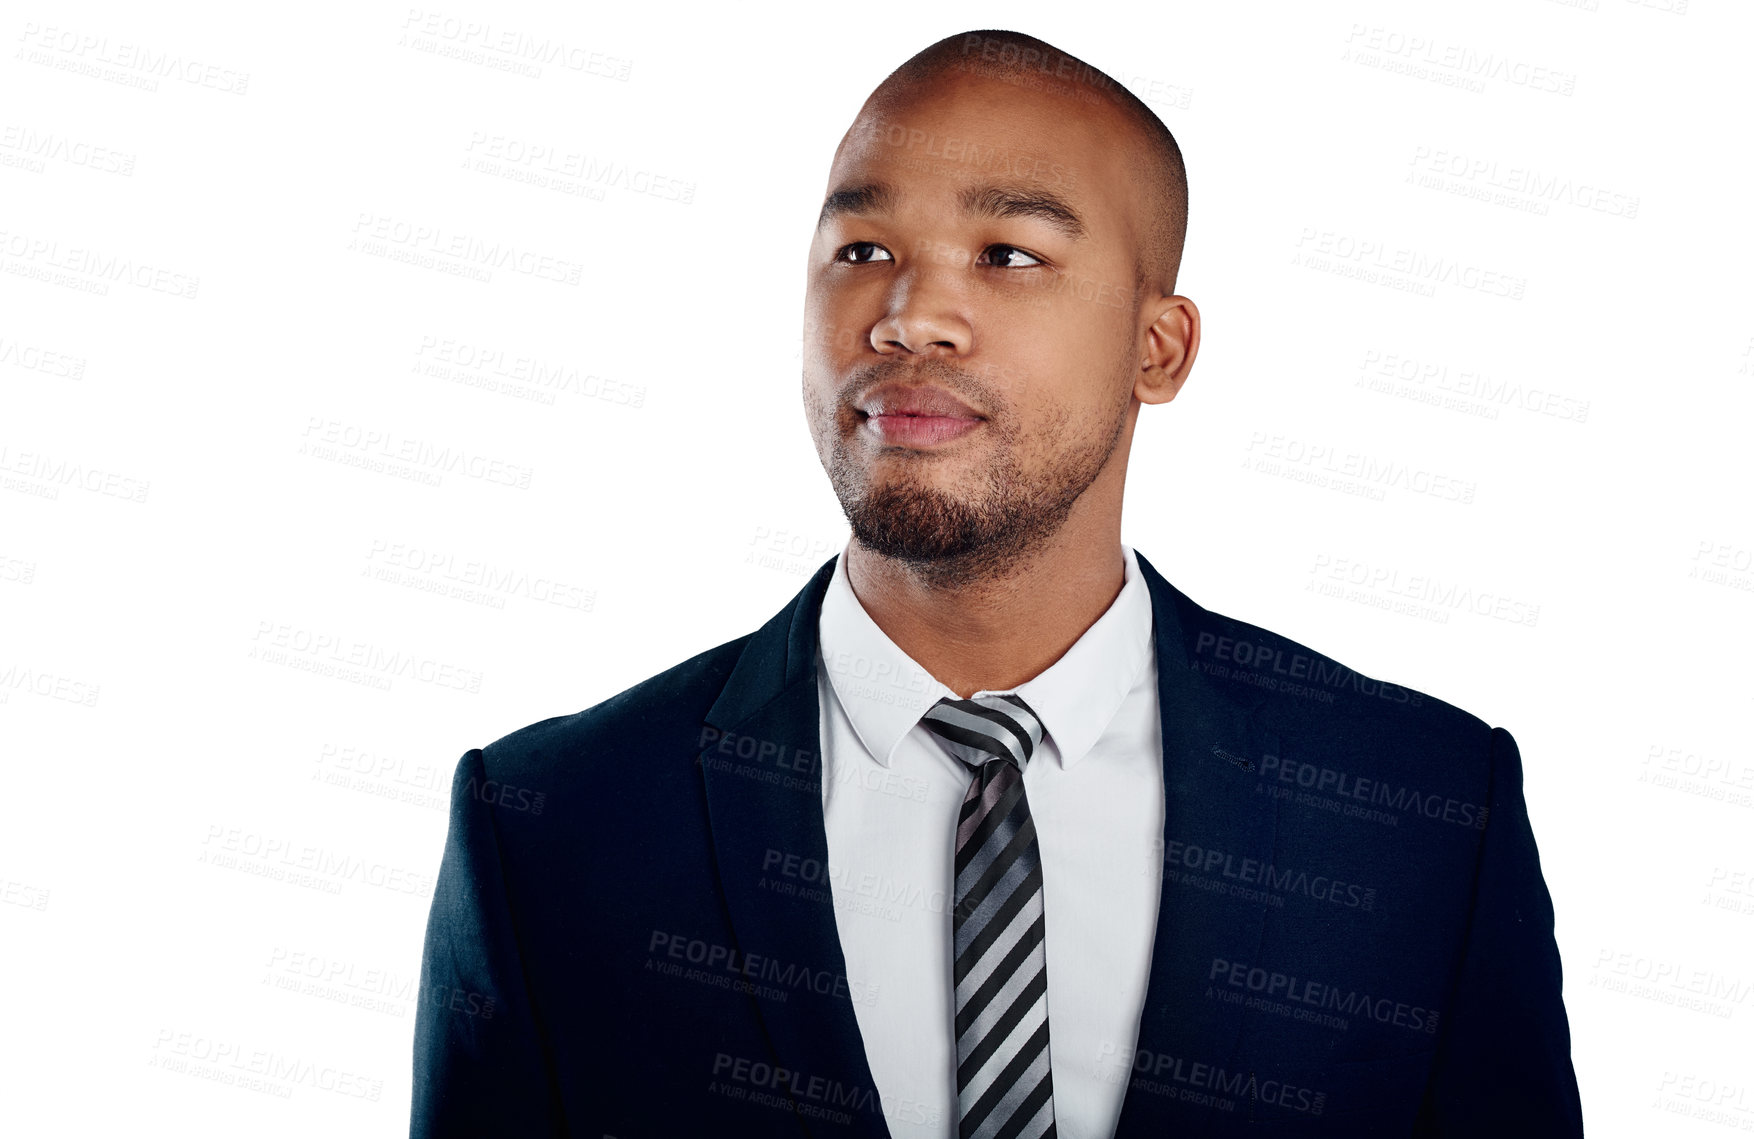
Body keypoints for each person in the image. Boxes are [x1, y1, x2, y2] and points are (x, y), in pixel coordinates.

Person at [410, 28, 1583, 1139]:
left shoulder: (1418, 813)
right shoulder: (551, 825)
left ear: (1155, 348)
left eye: (1008, 255)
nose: (910, 317)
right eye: (861, 251)